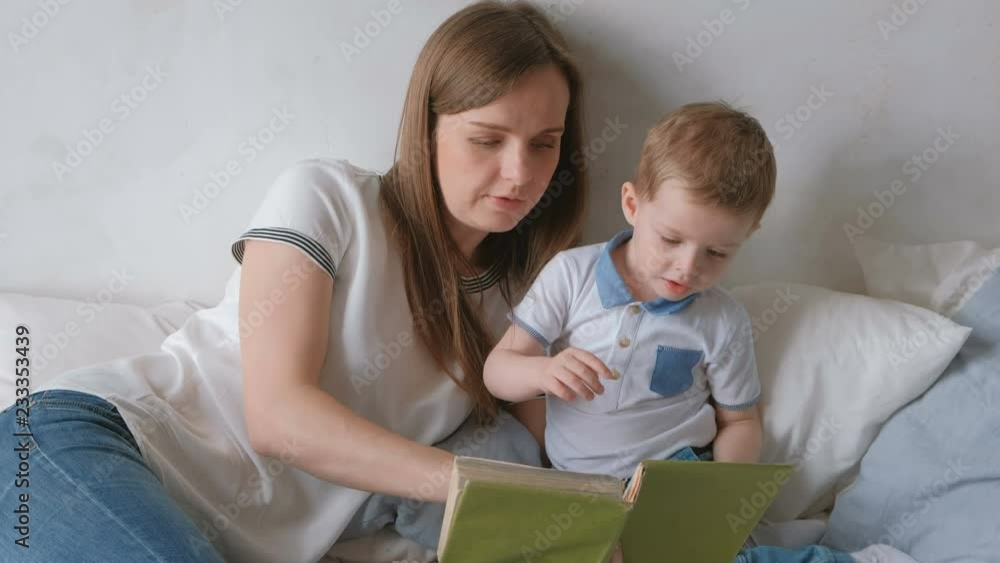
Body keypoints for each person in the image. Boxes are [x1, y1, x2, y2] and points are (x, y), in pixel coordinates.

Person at [0, 2, 588, 561]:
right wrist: (471, 484)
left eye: (545, 145)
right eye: (487, 139)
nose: (520, 172)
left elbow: (548, 464)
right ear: (426, 128)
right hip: (81, 448)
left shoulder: (530, 300)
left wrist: (582, 527)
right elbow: (279, 417)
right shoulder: (331, 199)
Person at [483, 101, 869, 563]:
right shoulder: (571, 276)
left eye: (717, 253)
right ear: (632, 205)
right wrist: (542, 372)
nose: (688, 267)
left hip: (675, 482)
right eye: (670, 240)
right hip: (583, 490)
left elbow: (740, 421)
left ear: (747, 236)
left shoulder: (722, 320)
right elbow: (497, 371)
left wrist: (722, 496)